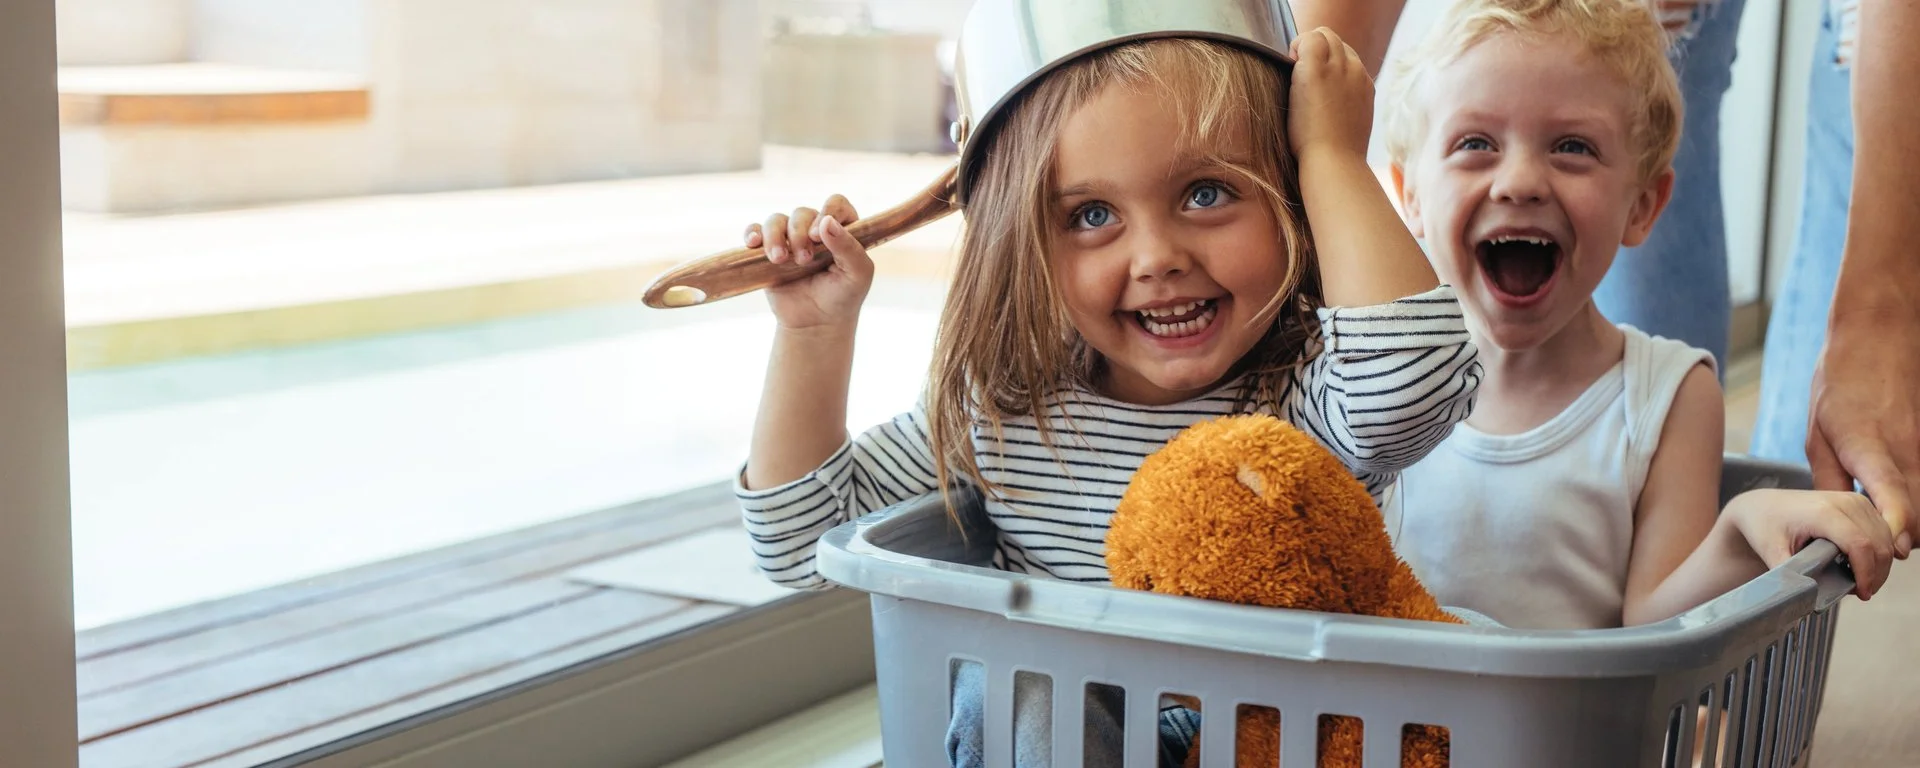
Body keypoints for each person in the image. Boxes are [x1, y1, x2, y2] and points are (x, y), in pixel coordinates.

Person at [732, 20, 1482, 767]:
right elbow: (800, 542)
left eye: (1206, 192)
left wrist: (1329, 153)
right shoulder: (1002, 406)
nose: (1156, 258)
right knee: (1026, 684)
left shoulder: (1305, 395)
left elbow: (1413, 379)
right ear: (1022, 240)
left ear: (1291, 201)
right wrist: (813, 336)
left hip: (1265, 745)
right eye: (1092, 216)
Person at [1375, 0, 1898, 631]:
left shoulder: (1667, 396)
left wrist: (1738, 530)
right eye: (1475, 144)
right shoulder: (1373, 373)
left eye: (1571, 147)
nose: (1520, 181)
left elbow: (1652, 629)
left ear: (1643, 206)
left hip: (1577, 734)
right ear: (1409, 196)